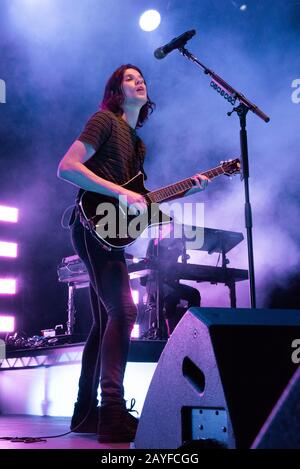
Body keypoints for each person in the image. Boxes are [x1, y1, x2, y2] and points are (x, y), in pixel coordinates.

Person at [57, 64, 209, 443]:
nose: (139, 80)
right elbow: (67, 167)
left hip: (111, 230)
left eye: (141, 77)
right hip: (91, 223)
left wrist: (184, 191)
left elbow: (140, 200)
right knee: (124, 311)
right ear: (116, 90)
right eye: (129, 77)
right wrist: (121, 194)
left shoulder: (137, 144)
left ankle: (85, 413)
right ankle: (112, 412)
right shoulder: (104, 121)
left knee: (103, 321)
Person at [141, 224, 201, 338]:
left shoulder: (175, 242)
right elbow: (149, 262)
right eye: (168, 227)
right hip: (153, 282)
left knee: (194, 294)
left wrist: (179, 249)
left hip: (170, 283)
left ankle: (190, 330)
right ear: (160, 228)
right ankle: (170, 335)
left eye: (171, 227)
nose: (170, 229)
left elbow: (173, 260)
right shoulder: (153, 243)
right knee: (171, 295)